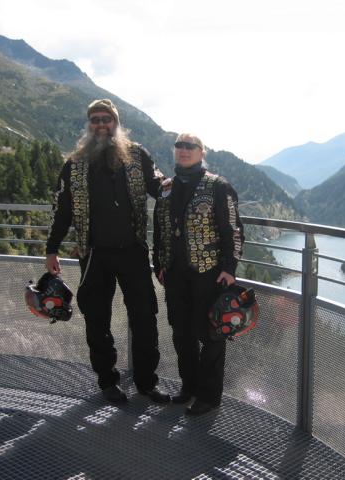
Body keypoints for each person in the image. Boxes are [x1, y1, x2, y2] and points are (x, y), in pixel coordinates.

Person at [45, 98, 170, 404]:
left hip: (133, 251)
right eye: (96, 119)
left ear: (116, 122)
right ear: (89, 124)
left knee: (145, 317)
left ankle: (147, 382)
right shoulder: (74, 165)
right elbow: (61, 210)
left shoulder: (137, 155)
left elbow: (159, 187)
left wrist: (185, 183)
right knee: (97, 319)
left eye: (106, 119)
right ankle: (108, 382)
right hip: (94, 254)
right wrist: (51, 249)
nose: (101, 124)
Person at [153, 133, 244, 415]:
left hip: (209, 274)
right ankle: (189, 386)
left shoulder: (218, 186)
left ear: (201, 152)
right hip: (175, 274)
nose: (184, 150)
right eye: (179, 145)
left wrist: (229, 268)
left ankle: (209, 396)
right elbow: (158, 230)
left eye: (190, 146)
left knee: (212, 334)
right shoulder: (166, 188)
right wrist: (158, 264)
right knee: (182, 334)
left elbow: (234, 231)